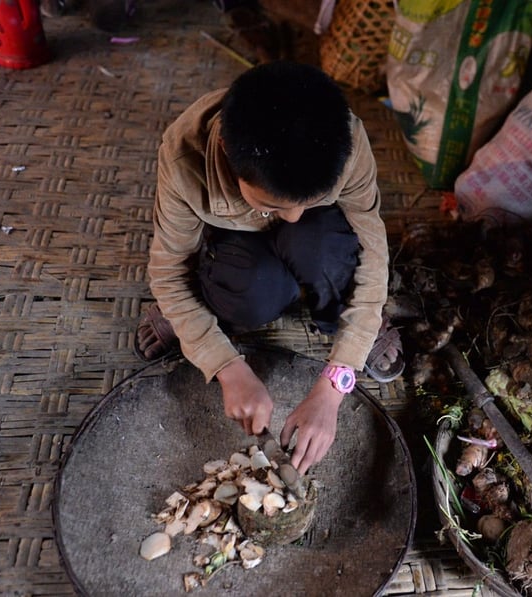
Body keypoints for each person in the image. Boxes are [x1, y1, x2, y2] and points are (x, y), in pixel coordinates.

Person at [135, 61, 403, 475]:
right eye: (274, 203)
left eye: (306, 200)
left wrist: (336, 382)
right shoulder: (183, 156)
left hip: (321, 233)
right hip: (236, 241)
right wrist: (225, 365)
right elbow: (169, 269)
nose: (291, 215)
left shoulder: (343, 140)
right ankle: (194, 311)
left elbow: (372, 247)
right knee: (249, 293)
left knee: (324, 249)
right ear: (225, 148)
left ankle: (355, 325)